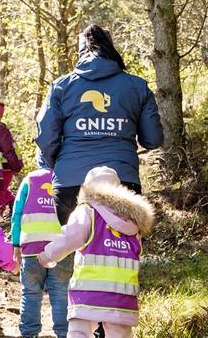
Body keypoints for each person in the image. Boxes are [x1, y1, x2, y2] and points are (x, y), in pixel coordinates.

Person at [35, 24, 164, 224]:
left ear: (80, 51)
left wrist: (59, 166)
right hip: (121, 183)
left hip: (70, 182)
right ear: (111, 48)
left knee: (68, 248)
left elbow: (46, 138)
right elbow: (153, 140)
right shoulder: (137, 86)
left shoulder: (62, 86)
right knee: (120, 251)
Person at [37, 167, 155, 338]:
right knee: (119, 334)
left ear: (87, 187)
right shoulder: (134, 222)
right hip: (123, 295)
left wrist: (48, 254)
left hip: (88, 291)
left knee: (79, 332)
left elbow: (70, 236)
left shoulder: (88, 210)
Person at [11, 168, 69, 338]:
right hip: (61, 246)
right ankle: (64, 334)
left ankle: (29, 333)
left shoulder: (30, 179)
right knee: (61, 293)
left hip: (31, 245)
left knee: (31, 292)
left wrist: (16, 243)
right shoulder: (67, 176)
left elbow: (17, 213)